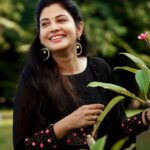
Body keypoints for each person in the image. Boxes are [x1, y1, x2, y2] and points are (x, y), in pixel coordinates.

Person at [13, 0, 150, 149]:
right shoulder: (33, 79)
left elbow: (119, 130)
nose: (53, 28)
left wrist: (145, 117)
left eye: (61, 20)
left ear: (79, 28)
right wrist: (66, 124)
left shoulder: (99, 68)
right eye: (45, 24)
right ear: (40, 36)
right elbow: (22, 146)